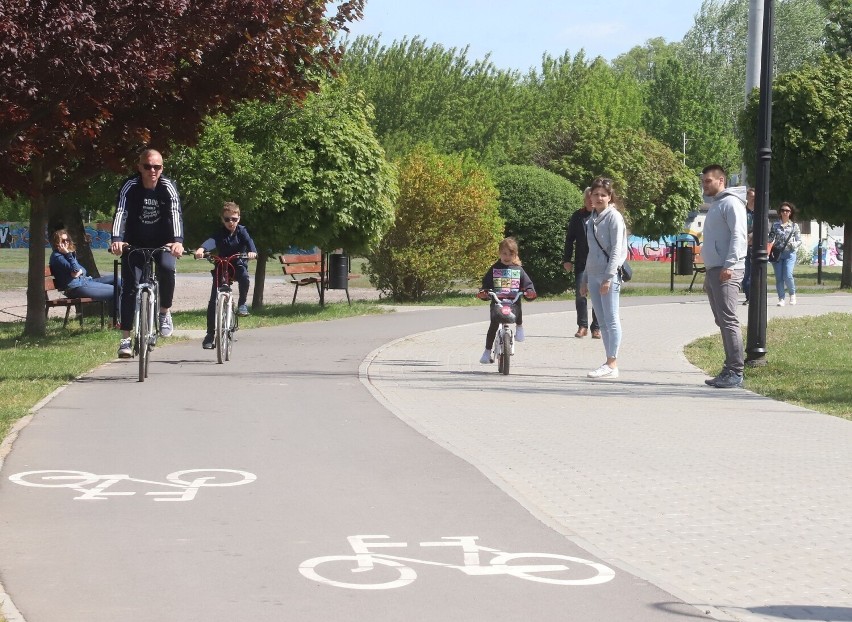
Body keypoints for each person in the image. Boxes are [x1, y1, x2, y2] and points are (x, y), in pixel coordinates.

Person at [109, 149, 185, 358]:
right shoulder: (130, 186)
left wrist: (177, 242)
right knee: (130, 288)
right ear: (139, 167)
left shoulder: (167, 187)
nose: (153, 170)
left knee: (168, 269)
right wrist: (117, 239)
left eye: (157, 167)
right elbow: (121, 212)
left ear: (162, 168)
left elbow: (175, 212)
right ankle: (125, 338)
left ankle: (164, 312)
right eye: (148, 166)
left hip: (164, 242)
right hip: (134, 242)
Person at [700, 164, 747, 389]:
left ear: (721, 180)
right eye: (703, 181)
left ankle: (735, 371)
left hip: (727, 269)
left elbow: (739, 235)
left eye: (708, 181)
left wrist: (729, 264)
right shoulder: (716, 204)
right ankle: (729, 367)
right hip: (715, 269)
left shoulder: (730, 203)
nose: (704, 184)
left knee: (728, 320)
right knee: (722, 320)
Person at [194, 202, 258, 349]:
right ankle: (210, 334)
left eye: (234, 219)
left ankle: (242, 304)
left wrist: (252, 252)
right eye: (228, 219)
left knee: (244, 277)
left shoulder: (242, 231)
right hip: (222, 266)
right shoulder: (219, 232)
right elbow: (211, 241)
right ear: (222, 219)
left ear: (239, 219)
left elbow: (250, 243)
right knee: (213, 300)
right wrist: (201, 249)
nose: (231, 222)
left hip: (237, 264)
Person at [580, 177, 626, 379]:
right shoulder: (591, 219)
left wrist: (609, 277)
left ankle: (612, 363)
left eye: (603, 195)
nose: (598, 198)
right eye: (595, 194)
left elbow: (617, 250)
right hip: (594, 275)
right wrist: (585, 279)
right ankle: (609, 362)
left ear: (610, 197)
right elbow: (590, 252)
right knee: (602, 322)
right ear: (590, 196)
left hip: (609, 275)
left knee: (612, 319)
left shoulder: (614, 217)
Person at [476, 237, 536, 364]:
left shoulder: (518, 270)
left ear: (515, 254)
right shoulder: (494, 269)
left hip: (512, 300)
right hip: (498, 301)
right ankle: (487, 352)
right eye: (504, 253)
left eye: (510, 254)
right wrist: (484, 292)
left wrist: (529, 291)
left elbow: (527, 284)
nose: (507, 257)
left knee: (517, 305)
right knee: (493, 325)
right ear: (499, 253)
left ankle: (519, 326)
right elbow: (486, 284)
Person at [49, 229, 120, 319]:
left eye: (67, 240)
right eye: (63, 240)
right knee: (115, 291)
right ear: (57, 242)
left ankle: (123, 316)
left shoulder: (66, 255)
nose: (66, 242)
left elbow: (83, 270)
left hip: (84, 281)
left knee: (117, 279)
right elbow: (75, 269)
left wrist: (79, 271)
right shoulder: (58, 257)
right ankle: (115, 321)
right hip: (75, 288)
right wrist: (68, 255)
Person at [563, 188, 601, 339]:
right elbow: (569, 239)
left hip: (598, 264)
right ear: (585, 200)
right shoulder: (578, 216)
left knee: (597, 296)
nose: (591, 203)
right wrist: (567, 259)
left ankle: (596, 328)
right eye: (588, 200)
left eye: (593, 200)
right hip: (581, 263)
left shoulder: (602, 216)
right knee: (580, 294)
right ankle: (582, 326)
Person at [768, 201, 802, 306]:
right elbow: (771, 238)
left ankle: (792, 294)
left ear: (790, 213)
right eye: (783, 210)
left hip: (790, 253)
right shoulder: (775, 225)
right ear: (780, 212)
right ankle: (781, 298)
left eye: (787, 210)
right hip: (778, 253)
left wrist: (793, 244)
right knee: (779, 277)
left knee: (788, 275)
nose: (785, 212)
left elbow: (799, 240)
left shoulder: (794, 226)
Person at [742, 187, 755, 305]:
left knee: (753, 274)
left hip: (754, 247)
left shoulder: (759, 212)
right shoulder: (742, 211)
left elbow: (762, 229)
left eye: (754, 197)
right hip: (743, 246)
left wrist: (749, 237)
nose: (753, 199)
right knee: (745, 274)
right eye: (751, 196)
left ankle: (752, 297)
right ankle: (748, 296)